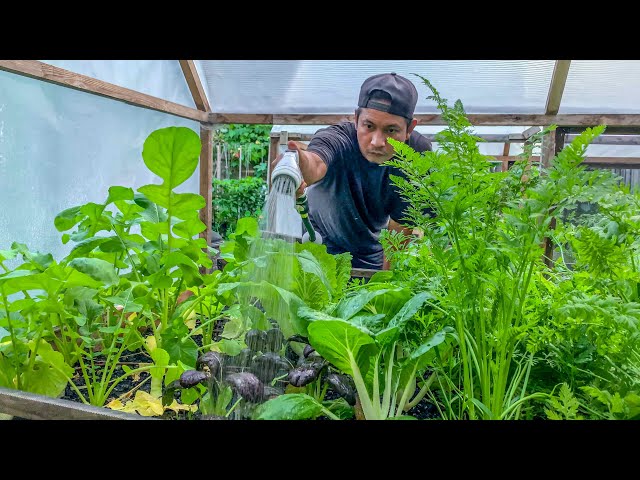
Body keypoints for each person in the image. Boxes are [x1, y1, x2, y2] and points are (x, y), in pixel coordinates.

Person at [271, 72, 432, 270]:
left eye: (391, 131)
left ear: (409, 129)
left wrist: (386, 285)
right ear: (356, 119)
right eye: (369, 126)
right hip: (319, 244)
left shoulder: (416, 155)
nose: (377, 142)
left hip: (370, 251)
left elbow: (400, 229)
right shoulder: (338, 138)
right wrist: (299, 163)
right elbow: (316, 163)